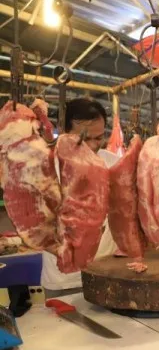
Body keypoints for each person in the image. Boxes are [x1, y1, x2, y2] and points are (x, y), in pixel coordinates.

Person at [42, 98, 119, 298]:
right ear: (65, 132)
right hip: (64, 282)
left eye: (99, 137)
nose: (93, 145)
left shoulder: (113, 163)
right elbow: (39, 228)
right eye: (84, 139)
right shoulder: (48, 168)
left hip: (107, 274)